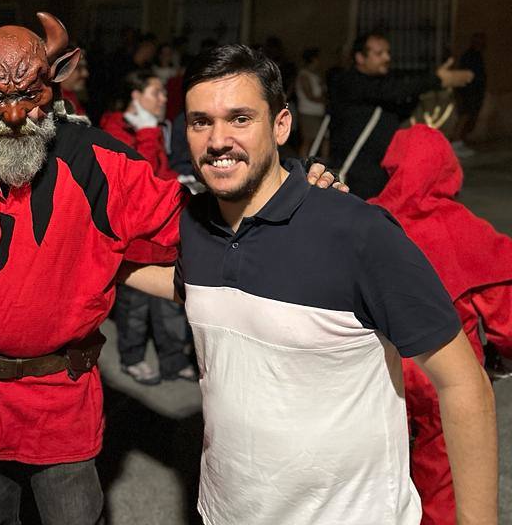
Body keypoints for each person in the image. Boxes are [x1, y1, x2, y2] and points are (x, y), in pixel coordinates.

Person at [0, 15, 341, 525]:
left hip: (63, 409)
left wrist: (296, 201)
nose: (15, 115)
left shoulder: (97, 164)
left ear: (57, 79)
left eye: (31, 94)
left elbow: (190, 222)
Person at [171, 44, 497, 525]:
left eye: (240, 118)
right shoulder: (195, 229)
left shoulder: (358, 233)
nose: (218, 139)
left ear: (281, 125)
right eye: (201, 122)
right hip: (225, 511)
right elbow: (191, 289)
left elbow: (464, 384)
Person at [369, 124, 512, 525]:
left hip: (378, 374)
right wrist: (500, 359)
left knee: (378, 480)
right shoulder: (464, 227)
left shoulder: (366, 218)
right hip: (442, 377)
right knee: (442, 481)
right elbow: (506, 321)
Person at [100, 71, 194, 385]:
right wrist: (148, 133)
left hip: (164, 236)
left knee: (170, 303)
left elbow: (161, 174)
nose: (164, 98)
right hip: (135, 239)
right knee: (135, 307)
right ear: (136, 96)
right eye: (156, 92)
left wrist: (180, 182)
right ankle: (132, 358)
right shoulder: (114, 127)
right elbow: (139, 180)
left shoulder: (152, 126)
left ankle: (173, 360)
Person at [328, 31, 474, 198]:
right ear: (360, 58)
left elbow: (400, 97)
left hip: (383, 169)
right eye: (379, 53)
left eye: (388, 53)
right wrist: (437, 79)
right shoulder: (348, 81)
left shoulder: (382, 81)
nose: (386, 58)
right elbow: (390, 91)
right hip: (355, 172)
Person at [452, 31, 487, 157]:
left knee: (470, 118)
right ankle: (455, 143)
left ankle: (460, 142)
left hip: (474, 93)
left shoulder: (477, 55)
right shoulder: (469, 56)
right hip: (467, 92)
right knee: (464, 117)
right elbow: (466, 75)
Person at [295, 47, 326, 157]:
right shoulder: (304, 75)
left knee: (323, 138)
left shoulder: (316, 75)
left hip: (318, 112)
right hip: (308, 112)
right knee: (308, 140)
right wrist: (325, 100)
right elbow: (309, 95)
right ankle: (302, 165)